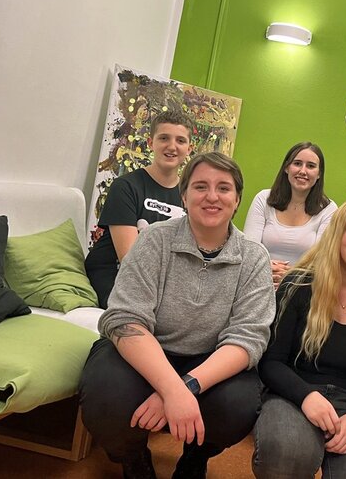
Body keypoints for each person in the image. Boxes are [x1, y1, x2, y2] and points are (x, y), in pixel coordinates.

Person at [79, 152, 276, 479]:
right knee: (105, 398)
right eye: (200, 186)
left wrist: (186, 387)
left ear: (237, 200)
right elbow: (124, 319)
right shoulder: (153, 240)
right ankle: (133, 458)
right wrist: (171, 389)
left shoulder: (254, 258)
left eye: (223, 188)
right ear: (183, 196)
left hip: (208, 360)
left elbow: (248, 339)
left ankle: (196, 456)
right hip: (144, 353)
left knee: (238, 406)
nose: (212, 196)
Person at [253, 197, 346, 479]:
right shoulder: (298, 284)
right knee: (287, 453)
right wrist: (306, 396)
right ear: (336, 232)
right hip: (295, 393)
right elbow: (271, 362)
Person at [85, 111, 193, 308]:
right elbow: (129, 259)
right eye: (164, 138)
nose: (172, 146)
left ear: (189, 149)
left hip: (161, 285)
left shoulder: (191, 197)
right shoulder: (125, 187)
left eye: (180, 140)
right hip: (116, 278)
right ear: (150, 143)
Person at [244, 141, 337, 289]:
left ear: (319, 174)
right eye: (297, 163)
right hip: (258, 284)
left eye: (311, 166)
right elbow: (249, 250)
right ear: (287, 168)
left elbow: (322, 261)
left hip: (302, 289)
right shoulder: (263, 199)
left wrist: (289, 276)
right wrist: (266, 270)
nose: (303, 171)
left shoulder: (329, 209)